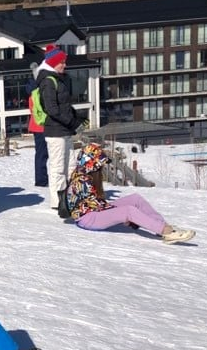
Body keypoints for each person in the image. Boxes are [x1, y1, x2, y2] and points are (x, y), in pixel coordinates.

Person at [64, 143, 196, 244]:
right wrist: (127, 217)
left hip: (93, 211)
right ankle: (166, 232)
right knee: (128, 211)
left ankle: (161, 225)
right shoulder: (82, 179)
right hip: (87, 218)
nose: (102, 167)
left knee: (135, 199)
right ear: (91, 163)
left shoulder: (85, 174)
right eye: (100, 163)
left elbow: (98, 204)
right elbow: (96, 206)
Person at [37, 44, 83, 210]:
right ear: (51, 63)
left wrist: (77, 119)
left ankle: (71, 196)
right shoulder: (48, 82)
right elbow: (52, 109)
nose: (64, 65)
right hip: (55, 131)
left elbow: (65, 105)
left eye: (64, 61)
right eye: (61, 62)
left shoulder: (60, 79)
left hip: (66, 130)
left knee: (71, 166)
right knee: (58, 167)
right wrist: (71, 122)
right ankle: (58, 202)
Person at [26, 62, 49, 187]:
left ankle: (41, 178)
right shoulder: (40, 90)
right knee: (43, 154)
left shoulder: (32, 90)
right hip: (43, 125)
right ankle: (41, 179)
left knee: (40, 153)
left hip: (36, 125)